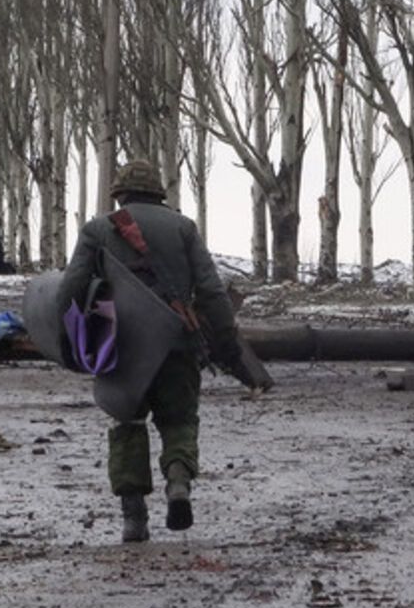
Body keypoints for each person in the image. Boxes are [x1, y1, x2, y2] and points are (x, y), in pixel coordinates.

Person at [57, 159, 267, 543]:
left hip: (121, 347)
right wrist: (224, 341)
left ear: (119, 194)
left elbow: (70, 289)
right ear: (159, 194)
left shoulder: (97, 229)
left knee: (128, 423)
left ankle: (133, 516)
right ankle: (178, 484)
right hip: (177, 342)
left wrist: (67, 343)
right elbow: (212, 291)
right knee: (180, 420)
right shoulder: (183, 228)